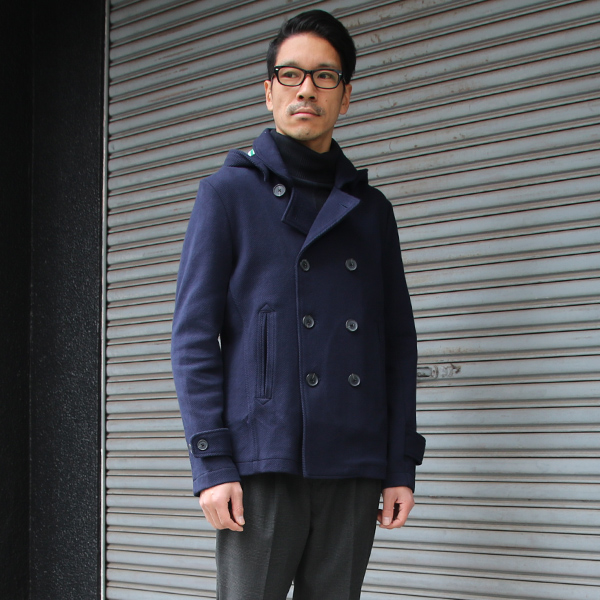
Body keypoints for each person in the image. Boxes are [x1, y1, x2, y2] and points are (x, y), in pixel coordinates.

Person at [171, 9, 425, 599]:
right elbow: (193, 338)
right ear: (269, 91)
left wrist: (399, 464)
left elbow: (397, 343)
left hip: (353, 460)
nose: (306, 89)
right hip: (262, 461)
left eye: (324, 76)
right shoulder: (228, 195)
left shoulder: (371, 212)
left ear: (345, 96)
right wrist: (213, 464)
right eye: (291, 75)